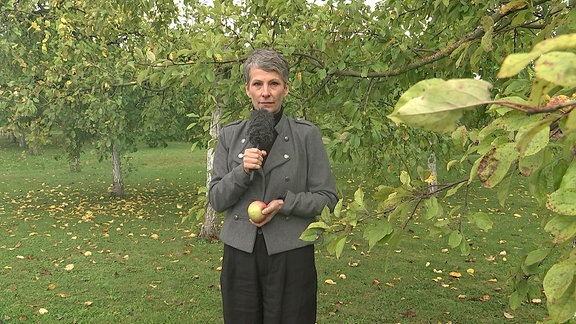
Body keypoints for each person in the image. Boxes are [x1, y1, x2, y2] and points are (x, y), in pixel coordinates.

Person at [208, 48, 339, 324]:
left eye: (273, 83)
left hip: (291, 254)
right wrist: (242, 170)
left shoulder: (307, 136)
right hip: (240, 255)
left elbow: (328, 198)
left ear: (285, 88)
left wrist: (285, 204)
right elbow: (217, 200)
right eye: (258, 84)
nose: (265, 92)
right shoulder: (230, 136)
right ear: (248, 90)